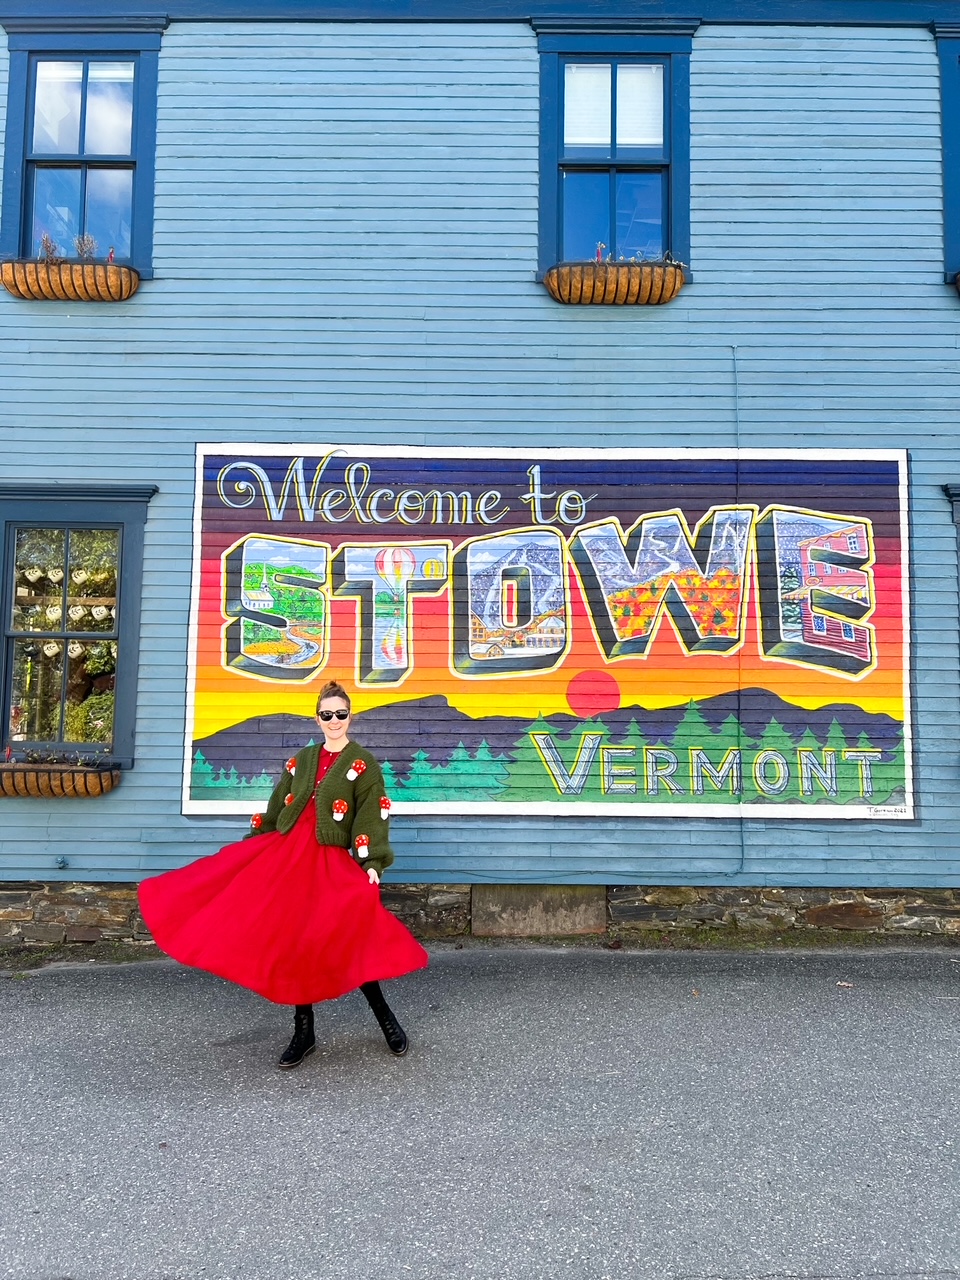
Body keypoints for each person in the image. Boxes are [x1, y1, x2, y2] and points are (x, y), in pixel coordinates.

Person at [139, 680, 428, 1068]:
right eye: (327, 714)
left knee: (350, 933)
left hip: (328, 859)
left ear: (350, 716)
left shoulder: (364, 763)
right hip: (288, 853)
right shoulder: (303, 759)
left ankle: (385, 1018)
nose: (334, 721)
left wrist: (372, 862)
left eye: (341, 714)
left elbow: (371, 813)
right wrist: (253, 845)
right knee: (294, 939)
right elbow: (278, 805)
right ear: (317, 718)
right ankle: (303, 1031)